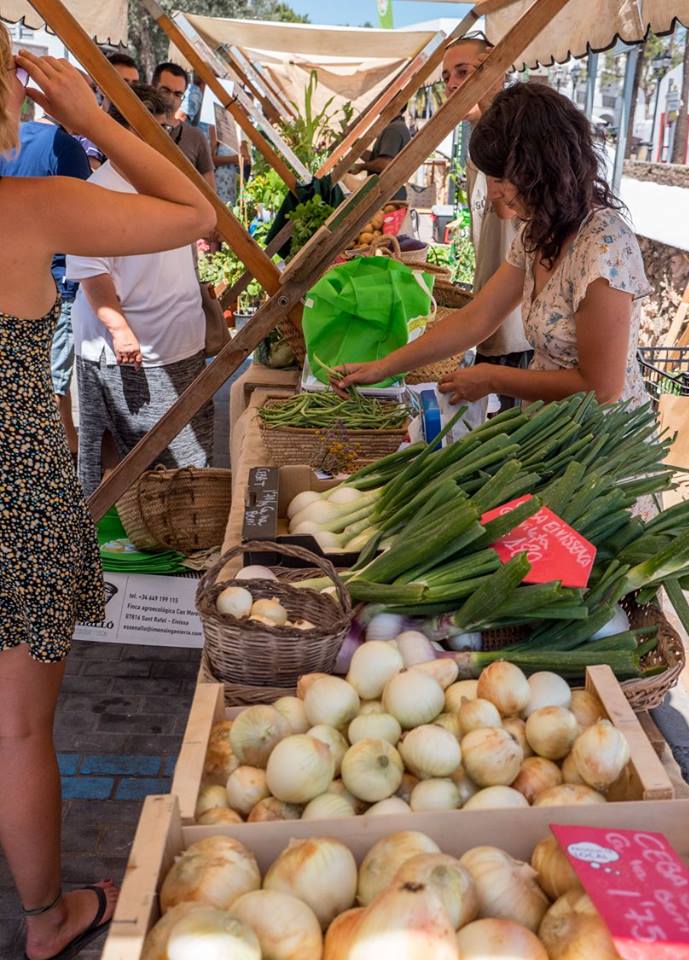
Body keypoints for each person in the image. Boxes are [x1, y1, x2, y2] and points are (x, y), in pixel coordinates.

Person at [0, 34, 214, 960]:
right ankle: (46, 919)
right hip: (18, 494)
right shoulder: (29, 208)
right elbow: (193, 209)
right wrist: (93, 118)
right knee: (18, 728)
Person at [336, 83, 650, 411]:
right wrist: (383, 367)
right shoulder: (537, 232)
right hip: (548, 428)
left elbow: (601, 388)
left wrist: (493, 378)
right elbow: (475, 319)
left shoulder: (603, 247)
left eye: (500, 179)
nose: (493, 192)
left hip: (600, 445)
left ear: (542, 169)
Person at [66, 84, 214, 497]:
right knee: (127, 470)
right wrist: (120, 331)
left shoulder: (170, 180)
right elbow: (93, 274)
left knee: (187, 464)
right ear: (126, 132)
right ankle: (113, 543)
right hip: (127, 356)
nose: (167, 139)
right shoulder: (99, 188)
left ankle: (183, 543)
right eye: (159, 131)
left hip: (180, 344)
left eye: (168, 129)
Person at [442, 32, 532, 412]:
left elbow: (506, 211)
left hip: (518, 317)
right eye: (446, 77)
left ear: (497, 67)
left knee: (513, 424)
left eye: (464, 72)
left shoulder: (510, 131)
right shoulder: (477, 136)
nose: (452, 85)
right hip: (493, 299)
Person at [0, 95, 92, 459]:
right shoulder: (65, 147)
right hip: (57, 283)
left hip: (14, 282)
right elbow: (84, 218)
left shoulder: (12, 139)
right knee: (51, 382)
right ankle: (61, 457)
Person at [152, 62, 215, 188]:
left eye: (178, 94)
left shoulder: (196, 137)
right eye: (165, 90)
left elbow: (210, 191)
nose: (171, 98)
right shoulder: (134, 127)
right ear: (153, 88)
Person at [350, 107, 412, 201]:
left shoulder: (393, 130)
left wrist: (361, 167)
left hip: (387, 196)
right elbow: (376, 159)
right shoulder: (397, 127)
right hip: (390, 193)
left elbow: (385, 164)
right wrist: (355, 146)